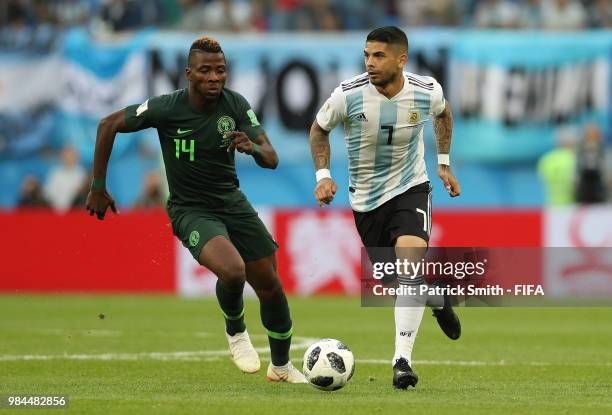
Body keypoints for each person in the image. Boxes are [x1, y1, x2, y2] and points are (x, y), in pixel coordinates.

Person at [86, 35, 306, 383]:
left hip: (232, 203)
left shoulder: (235, 105)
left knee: (270, 285)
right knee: (233, 271)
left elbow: (272, 157)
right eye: (206, 71)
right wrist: (98, 186)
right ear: (189, 74)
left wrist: (253, 148)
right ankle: (236, 332)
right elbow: (108, 124)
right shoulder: (166, 108)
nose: (214, 78)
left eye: (220, 70)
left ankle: (281, 367)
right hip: (191, 210)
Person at [309, 26, 461, 389]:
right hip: (366, 200)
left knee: (410, 264)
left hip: (411, 187)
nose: (370, 63)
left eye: (378, 55)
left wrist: (443, 163)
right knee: (400, 283)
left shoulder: (427, 91)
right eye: (366, 55)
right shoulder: (348, 94)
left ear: (400, 59)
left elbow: (443, 114)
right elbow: (318, 130)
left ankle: (402, 362)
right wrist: (323, 175)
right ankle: (436, 297)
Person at [537, 127, 576, 206]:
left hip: (552, 205)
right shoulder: (574, 159)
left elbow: (543, 179)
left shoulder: (546, 159)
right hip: (572, 205)